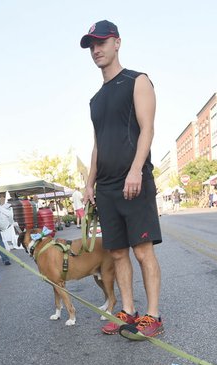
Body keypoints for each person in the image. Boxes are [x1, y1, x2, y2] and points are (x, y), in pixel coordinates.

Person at [80, 19, 163, 340]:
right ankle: (127, 310)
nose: (96, 49)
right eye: (91, 45)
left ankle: (153, 314)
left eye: (101, 42)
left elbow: (148, 129)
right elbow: (98, 143)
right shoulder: (96, 100)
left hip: (135, 180)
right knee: (116, 253)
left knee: (142, 250)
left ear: (117, 43)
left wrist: (135, 170)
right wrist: (90, 183)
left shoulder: (137, 81)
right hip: (107, 187)